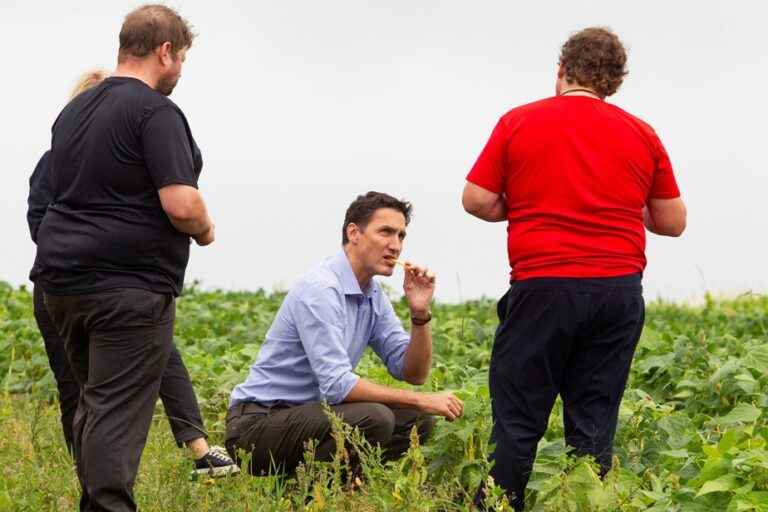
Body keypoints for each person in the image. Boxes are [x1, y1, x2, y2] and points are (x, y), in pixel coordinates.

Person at [462, 27, 686, 510]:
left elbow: (476, 199)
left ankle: (501, 505)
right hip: (617, 291)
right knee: (593, 423)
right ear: (613, 82)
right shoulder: (642, 133)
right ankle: (584, 500)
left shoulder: (519, 121)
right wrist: (626, 206)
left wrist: (519, 206)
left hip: (544, 284)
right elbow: (672, 222)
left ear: (561, 71)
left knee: (519, 419)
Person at [30, 6, 228, 510]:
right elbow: (181, 203)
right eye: (181, 58)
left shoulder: (72, 113)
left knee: (95, 408)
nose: (180, 70)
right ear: (165, 51)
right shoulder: (155, 111)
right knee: (115, 417)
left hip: (62, 287)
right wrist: (205, 228)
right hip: (128, 288)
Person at [226, 191, 464, 476]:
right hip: (257, 426)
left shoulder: (373, 295)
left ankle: (335, 491)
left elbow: (413, 373)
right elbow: (337, 385)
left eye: (401, 235)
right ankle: (314, 491)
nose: (396, 245)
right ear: (354, 233)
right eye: (386, 232)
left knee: (418, 421)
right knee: (375, 418)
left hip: (308, 417)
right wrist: (421, 398)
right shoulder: (321, 288)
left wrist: (420, 314)